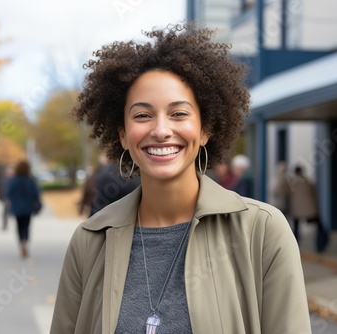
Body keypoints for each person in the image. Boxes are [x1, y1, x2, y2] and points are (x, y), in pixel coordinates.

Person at [50, 23, 311, 334]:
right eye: (142, 115)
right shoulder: (89, 240)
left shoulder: (263, 231)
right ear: (122, 134)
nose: (161, 130)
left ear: (205, 130)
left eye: (179, 113)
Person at [289, 165, 329, 253]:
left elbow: (286, 193)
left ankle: (294, 247)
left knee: (296, 229)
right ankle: (320, 246)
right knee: (320, 227)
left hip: (297, 210)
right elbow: (314, 194)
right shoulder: (308, 181)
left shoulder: (291, 182)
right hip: (310, 209)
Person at [6, 160, 41, 258]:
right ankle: (25, 241)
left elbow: (9, 193)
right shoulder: (31, 180)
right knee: (26, 226)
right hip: (28, 207)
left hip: (17, 208)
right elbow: (36, 194)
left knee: (19, 226)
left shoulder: (13, 180)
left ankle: (21, 243)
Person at [0, 165, 14, 230]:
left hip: (14, 199)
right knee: (5, 213)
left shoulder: (15, 179)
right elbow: (1, 189)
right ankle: (5, 224)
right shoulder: (4, 180)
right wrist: (2, 198)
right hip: (6, 199)